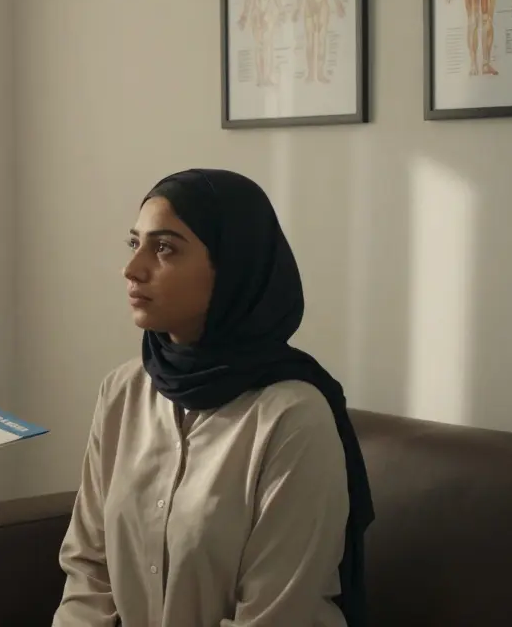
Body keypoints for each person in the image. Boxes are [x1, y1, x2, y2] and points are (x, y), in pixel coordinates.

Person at [51, 168, 373, 627]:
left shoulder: (292, 417)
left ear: (232, 266)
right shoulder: (124, 391)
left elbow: (276, 614)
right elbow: (89, 571)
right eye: (134, 243)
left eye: (164, 248)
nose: (133, 268)